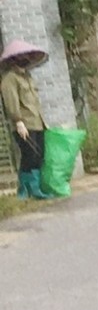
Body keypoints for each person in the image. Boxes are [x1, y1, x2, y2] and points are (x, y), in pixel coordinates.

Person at [1, 39, 53, 200]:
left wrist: (43, 120)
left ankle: (35, 188)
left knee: (39, 155)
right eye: (23, 56)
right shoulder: (10, 79)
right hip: (24, 124)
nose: (27, 58)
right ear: (14, 59)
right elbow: (11, 102)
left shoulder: (28, 77)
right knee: (29, 155)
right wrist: (18, 122)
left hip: (37, 122)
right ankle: (24, 190)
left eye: (28, 56)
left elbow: (34, 102)